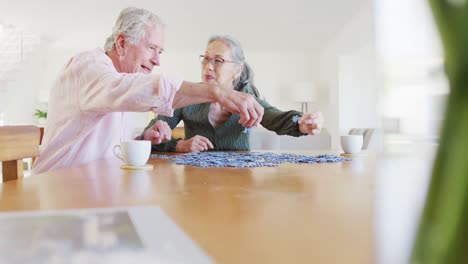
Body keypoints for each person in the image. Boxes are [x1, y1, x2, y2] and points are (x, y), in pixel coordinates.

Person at [32, 8, 263, 174]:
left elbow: (109, 145)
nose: (156, 61)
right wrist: (216, 92)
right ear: (122, 43)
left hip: (97, 190)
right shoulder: (88, 67)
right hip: (59, 189)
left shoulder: (125, 79)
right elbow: (127, 90)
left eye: (160, 51)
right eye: (152, 48)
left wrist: (143, 139)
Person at [144, 35, 323, 153]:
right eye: (205, 58)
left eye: (218, 61)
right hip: (195, 182)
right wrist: (181, 145)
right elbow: (148, 136)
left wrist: (302, 123)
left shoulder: (247, 98)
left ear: (237, 70)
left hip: (240, 183)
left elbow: (277, 118)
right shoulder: (187, 96)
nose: (209, 66)